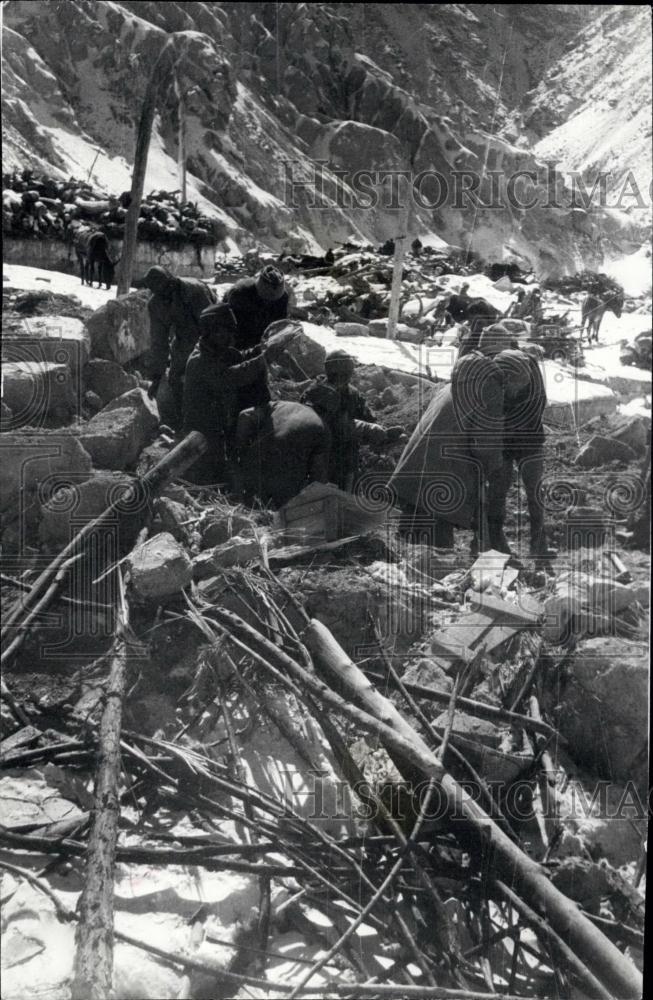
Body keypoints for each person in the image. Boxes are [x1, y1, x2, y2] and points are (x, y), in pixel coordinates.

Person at [389, 326, 510, 549]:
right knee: (437, 556)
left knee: (408, 549)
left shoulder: (456, 379)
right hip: (443, 478)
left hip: (416, 469)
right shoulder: (489, 386)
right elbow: (484, 443)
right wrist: (495, 467)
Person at [181, 304, 294, 485]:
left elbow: (240, 357)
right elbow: (231, 377)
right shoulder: (199, 360)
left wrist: (262, 349)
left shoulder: (218, 351)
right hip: (203, 429)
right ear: (210, 332)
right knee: (209, 477)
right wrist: (264, 359)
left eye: (231, 332)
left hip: (221, 423)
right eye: (223, 333)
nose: (229, 338)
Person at [301, 349, 404, 491]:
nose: (346, 377)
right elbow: (317, 425)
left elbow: (367, 417)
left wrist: (381, 433)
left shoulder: (353, 393)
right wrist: (364, 428)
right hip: (322, 456)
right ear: (330, 372)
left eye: (348, 373)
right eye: (341, 373)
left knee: (347, 495)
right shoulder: (316, 392)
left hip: (348, 457)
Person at [486, 347, 554, 560]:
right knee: (498, 489)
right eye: (511, 388)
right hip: (503, 441)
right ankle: (494, 542)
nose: (514, 393)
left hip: (530, 438)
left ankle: (539, 546)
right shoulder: (494, 373)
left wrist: (512, 425)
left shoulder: (531, 369)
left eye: (519, 388)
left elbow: (540, 403)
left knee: (535, 491)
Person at [139, 266, 216, 428]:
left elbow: (212, 324)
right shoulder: (156, 305)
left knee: (208, 373)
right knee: (176, 378)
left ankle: (212, 419)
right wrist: (157, 375)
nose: (166, 294)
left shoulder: (195, 290)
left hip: (211, 333)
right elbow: (159, 342)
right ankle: (184, 421)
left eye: (168, 288)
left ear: (172, 280)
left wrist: (209, 354)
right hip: (183, 337)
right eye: (160, 292)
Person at [236, 400, 331, 507]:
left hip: (255, 465)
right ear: (328, 413)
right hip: (284, 483)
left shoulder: (279, 405)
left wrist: (243, 451)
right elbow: (318, 476)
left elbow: (245, 415)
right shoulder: (322, 427)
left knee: (251, 508)